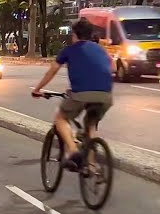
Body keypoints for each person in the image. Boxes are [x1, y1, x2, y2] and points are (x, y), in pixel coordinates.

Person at [31, 18, 113, 170]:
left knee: (60, 118)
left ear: (74, 35)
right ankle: (92, 166)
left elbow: (52, 71)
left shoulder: (70, 50)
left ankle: (73, 151)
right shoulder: (101, 49)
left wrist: (37, 89)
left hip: (81, 94)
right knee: (91, 126)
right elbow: (112, 67)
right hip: (106, 96)